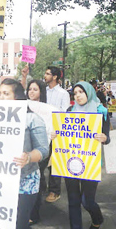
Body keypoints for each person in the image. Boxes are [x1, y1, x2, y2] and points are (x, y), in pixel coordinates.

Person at [0, 78, 49, 229]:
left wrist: (29, 157)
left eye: (6, 94)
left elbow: (43, 149)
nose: (1, 97)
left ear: (17, 97)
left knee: (18, 228)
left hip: (25, 181)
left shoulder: (32, 119)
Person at [62, 81, 110, 229]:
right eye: (75, 93)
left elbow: (108, 137)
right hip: (70, 161)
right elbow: (63, 133)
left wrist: (104, 138)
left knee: (86, 201)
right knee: (73, 201)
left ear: (89, 92)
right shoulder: (69, 111)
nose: (78, 95)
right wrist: (55, 134)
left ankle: (97, 218)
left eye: (81, 91)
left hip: (90, 162)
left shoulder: (100, 111)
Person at [44, 66, 70, 203]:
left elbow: (65, 113)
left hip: (56, 131)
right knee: (42, 159)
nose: (45, 75)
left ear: (55, 77)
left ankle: (54, 191)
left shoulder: (63, 93)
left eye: (48, 74)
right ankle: (42, 188)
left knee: (54, 162)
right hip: (43, 130)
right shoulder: (43, 91)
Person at [25, 79, 48, 225]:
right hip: (27, 148)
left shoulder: (48, 109)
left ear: (41, 92)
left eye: (35, 89)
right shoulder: (23, 106)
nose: (31, 92)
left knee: (37, 177)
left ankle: (34, 213)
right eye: (30, 89)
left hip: (42, 147)